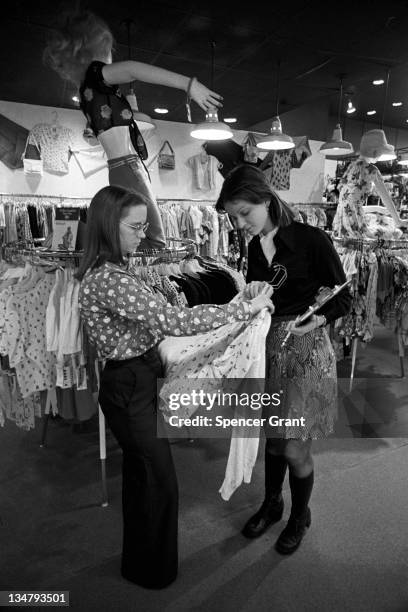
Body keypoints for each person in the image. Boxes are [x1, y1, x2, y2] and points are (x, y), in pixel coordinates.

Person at [76, 184, 274, 589]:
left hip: (136, 378)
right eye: (134, 227)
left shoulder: (116, 271)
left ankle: (141, 563)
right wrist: (239, 308)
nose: (142, 235)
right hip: (129, 383)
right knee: (157, 479)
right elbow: (172, 321)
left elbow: (163, 322)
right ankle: (152, 572)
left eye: (143, 226)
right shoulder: (108, 279)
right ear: (108, 226)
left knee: (142, 475)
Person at [216, 165, 352, 555]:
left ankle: (300, 514)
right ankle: (272, 504)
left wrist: (316, 320)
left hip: (307, 351)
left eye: (245, 213)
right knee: (274, 442)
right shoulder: (254, 245)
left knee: (295, 447)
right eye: (234, 216)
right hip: (268, 351)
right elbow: (264, 299)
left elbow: (344, 294)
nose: (240, 223)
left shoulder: (312, 239)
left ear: (266, 199)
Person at [43, 10, 223, 249]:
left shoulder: (88, 89)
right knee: (154, 242)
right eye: (108, 48)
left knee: (136, 238)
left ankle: (103, 260)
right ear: (95, 49)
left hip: (121, 167)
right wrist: (189, 85)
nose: (111, 56)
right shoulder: (97, 75)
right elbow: (132, 69)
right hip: (128, 165)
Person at [332, 129, 408, 238]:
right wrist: (398, 220)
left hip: (342, 214)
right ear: (375, 151)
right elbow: (385, 197)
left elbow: (341, 190)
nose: (381, 155)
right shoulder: (371, 170)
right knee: (371, 241)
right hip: (353, 215)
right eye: (381, 151)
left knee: (347, 247)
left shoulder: (351, 166)